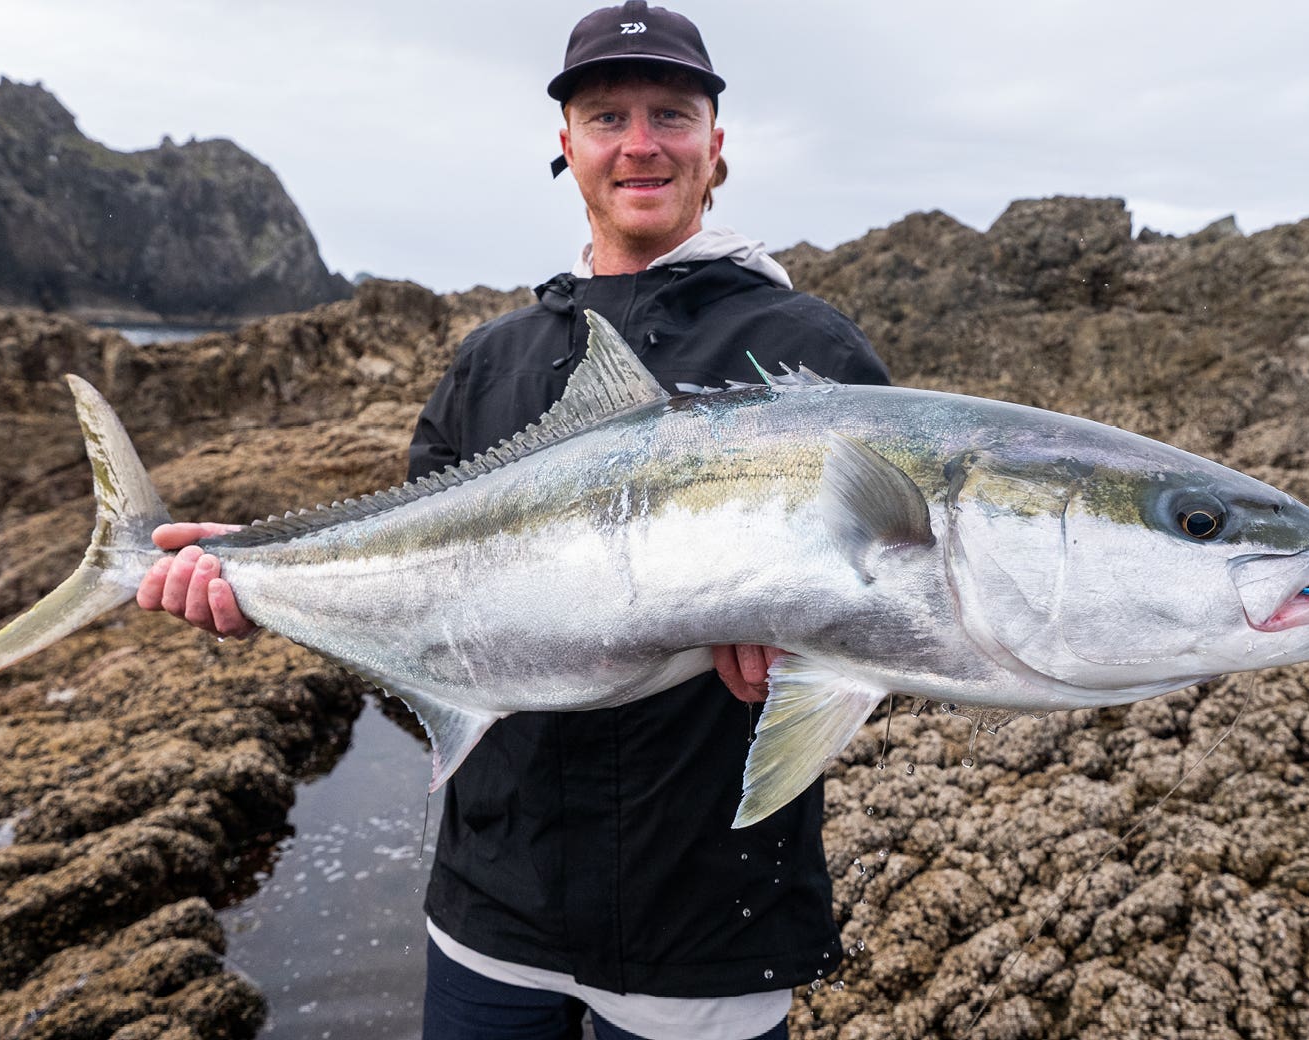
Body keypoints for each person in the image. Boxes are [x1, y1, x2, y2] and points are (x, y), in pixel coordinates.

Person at [139, 4, 889, 1036]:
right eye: (605, 115)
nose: (638, 143)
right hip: (492, 907)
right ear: (565, 144)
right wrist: (261, 578)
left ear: (716, 146)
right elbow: (411, 594)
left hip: (709, 925)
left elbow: (897, 621)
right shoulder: (489, 362)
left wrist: (804, 655)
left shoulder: (809, 355)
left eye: (670, 115)